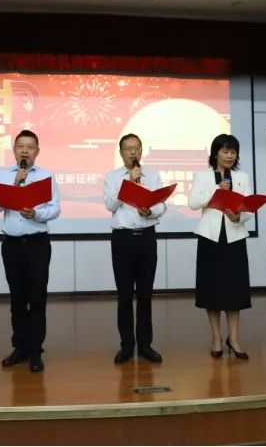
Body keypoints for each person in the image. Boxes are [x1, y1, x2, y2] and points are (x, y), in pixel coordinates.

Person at [0, 130, 61, 372]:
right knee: (17, 299)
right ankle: (19, 347)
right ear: (14, 149)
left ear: (37, 151)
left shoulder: (46, 176)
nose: (25, 151)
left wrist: (36, 213)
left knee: (37, 299)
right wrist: (14, 185)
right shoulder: (2, 175)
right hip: (11, 245)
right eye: (21, 146)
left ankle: (35, 351)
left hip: (37, 245)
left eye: (30, 147)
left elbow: (55, 209)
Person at [103, 133, 166, 364]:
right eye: (128, 148)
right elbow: (109, 204)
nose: (133, 152)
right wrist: (128, 182)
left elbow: (162, 206)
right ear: (121, 153)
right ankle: (127, 345)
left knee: (145, 294)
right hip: (123, 240)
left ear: (141, 151)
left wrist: (150, 211)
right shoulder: (112, 177)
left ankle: (146, 345)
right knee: (125, 295)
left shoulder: (153, 175)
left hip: (147, 238)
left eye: (137, 148)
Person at [188, 134, 252, 360]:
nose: (229, 156)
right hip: (210, 238)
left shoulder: (242, 177)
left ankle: (234, 339)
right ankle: (216, 338)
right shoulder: (202, 176)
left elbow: (248, 208)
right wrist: (216, 190)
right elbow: (193, 203)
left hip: (234, 237)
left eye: (233, 152)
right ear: (215, 153)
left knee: (235, 290)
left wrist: (238, 217)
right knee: (212, 290)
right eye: (225, 151)